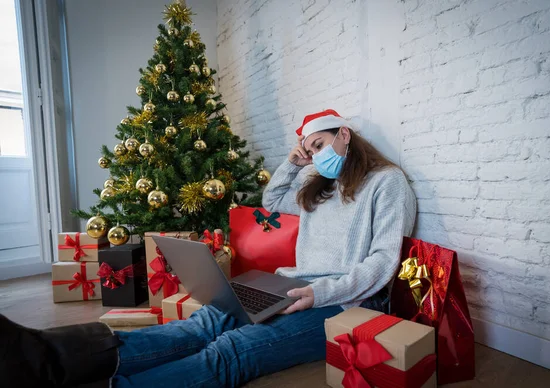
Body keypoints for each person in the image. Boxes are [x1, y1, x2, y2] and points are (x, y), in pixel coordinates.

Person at [0, 109, 416, 387]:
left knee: (231, 351)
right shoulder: (321, 189)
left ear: (344, 133)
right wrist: (293, 165)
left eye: (320, 145)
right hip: (291, 287)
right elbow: (271, 204)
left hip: (351, 302)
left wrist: (319, 293)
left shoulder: (387, 182)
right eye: (310, 152)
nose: (316, 157)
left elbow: (382, 263)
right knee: (203, 325)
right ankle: (44, 357)